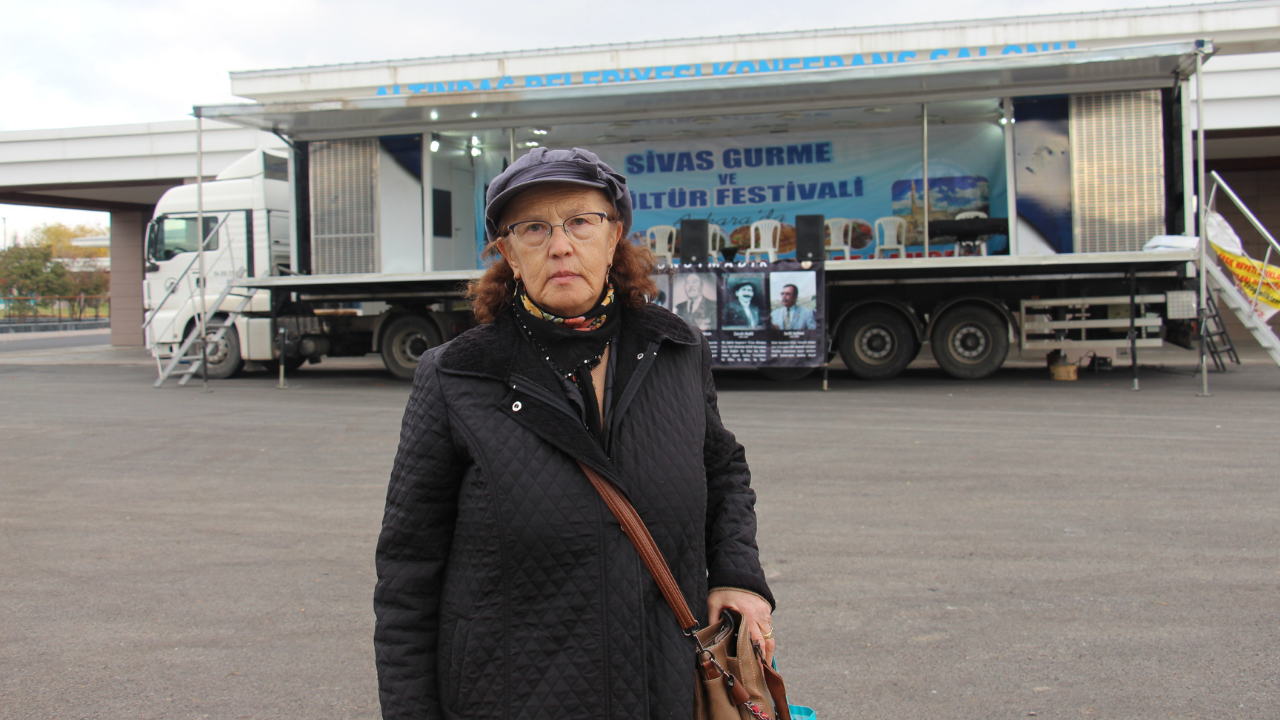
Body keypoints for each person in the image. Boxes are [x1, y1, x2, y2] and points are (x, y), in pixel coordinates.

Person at [374, 147, 775, 720]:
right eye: (533, 228)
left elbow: (723, 469)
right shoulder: (456, 376)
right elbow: (407, 575)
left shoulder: (676, 351)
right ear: (509, 253)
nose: (560, 244)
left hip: (663, 693)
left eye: (581, 222)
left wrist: (740, 576)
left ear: (614, 238)